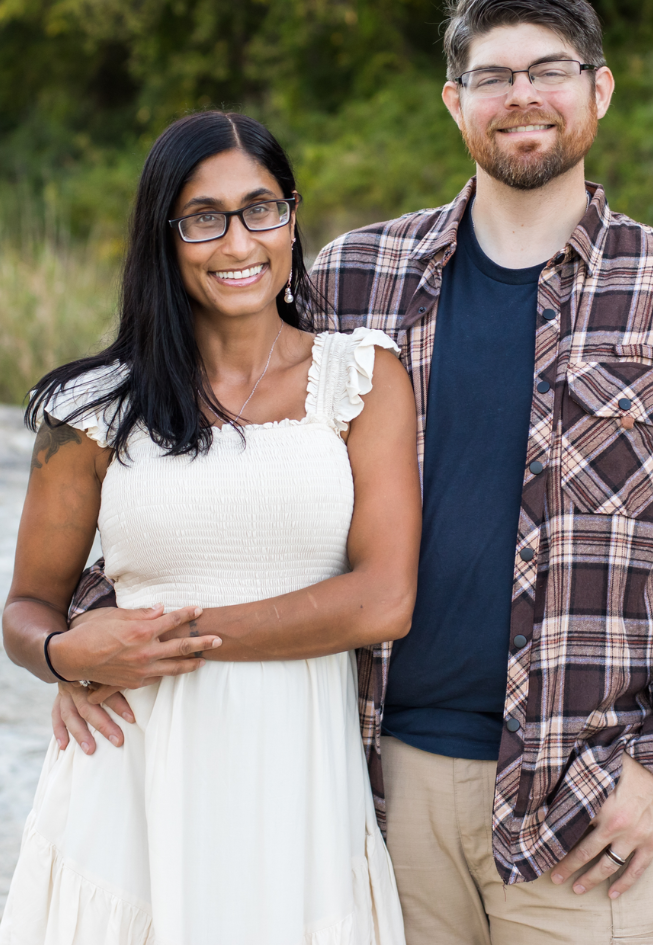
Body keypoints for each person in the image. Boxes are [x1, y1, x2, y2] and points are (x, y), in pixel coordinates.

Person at [50, 0, 653, 944]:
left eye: (549, 70)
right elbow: (219, 453)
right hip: (372, 791)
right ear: (454, 103)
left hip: (589, 808)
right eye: (492, 76)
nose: (521, 94)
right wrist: (97, 633)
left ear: (598, 90)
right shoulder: (357, 278)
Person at [0, 111, 421, 944]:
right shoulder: (89, 410)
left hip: (296, 782)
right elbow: (25, 611)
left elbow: (383, 601)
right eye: (204, 217)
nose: (238, 242)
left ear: (292, 216)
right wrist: (63, 653)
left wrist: (149, 647)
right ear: (165, 236)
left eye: (261, 208)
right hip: (127, 782)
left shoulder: (361, 378)